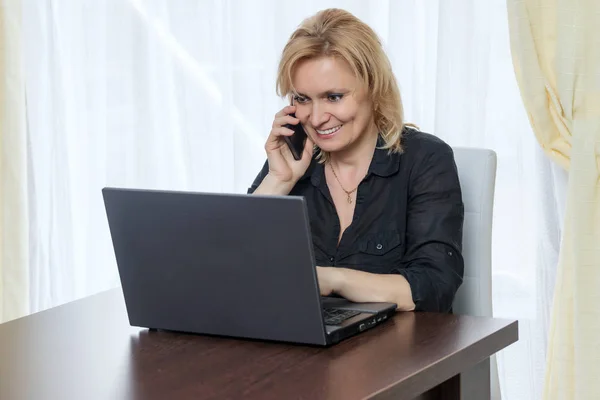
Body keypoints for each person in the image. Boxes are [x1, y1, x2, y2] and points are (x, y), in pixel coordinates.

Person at [248, 8, 464, 313]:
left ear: (373, 88)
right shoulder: (292, 160)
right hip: (300, 348)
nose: (318, 118)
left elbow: (434, 286)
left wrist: (334, 280)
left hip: (397, 353)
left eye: (334, 97)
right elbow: (237, 268)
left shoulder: (425, 159)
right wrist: (279, 180)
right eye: (302, 99)